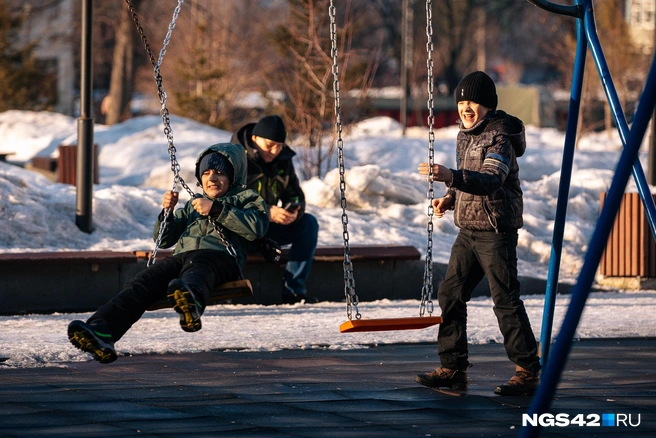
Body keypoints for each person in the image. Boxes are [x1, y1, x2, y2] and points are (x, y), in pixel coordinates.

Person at [68, 142, 269, 363]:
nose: (212, 179)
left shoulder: (246, 198)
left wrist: (217, 210)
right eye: (207, 173)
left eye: (220, 173)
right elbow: (163, 239)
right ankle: (103, 329)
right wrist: (167, 212)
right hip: (182, 257)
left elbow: (256, 227)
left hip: (222, 258)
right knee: (143, 281)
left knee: (199, 265)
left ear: (234, 176)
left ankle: (191, 303)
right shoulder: (193, 204)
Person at [415, 71, 541, 396]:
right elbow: (467, 180)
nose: (465, 108)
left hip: (496, 229)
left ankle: (527, 370)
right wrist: (450, 197)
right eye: (461, 102)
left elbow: (489, 180)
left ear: (487, 105)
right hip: (468, 229)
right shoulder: (465, 135)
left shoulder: (500, 137)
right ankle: (453, 367)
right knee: (450, 294)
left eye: (472, 102)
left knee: (505, 299)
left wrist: (451, 177)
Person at [232, 115, 319, 304]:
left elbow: (295, 194)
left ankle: (294, 291)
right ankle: (232, 291)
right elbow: (229, 200)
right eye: (270, 145)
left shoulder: (283, 160)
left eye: (279, 145)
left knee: (308, 223)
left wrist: (294, 210)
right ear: (255, 139)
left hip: (267, 229)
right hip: (240, 229)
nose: (275, 150)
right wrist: (266, 211)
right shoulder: (235, 158)